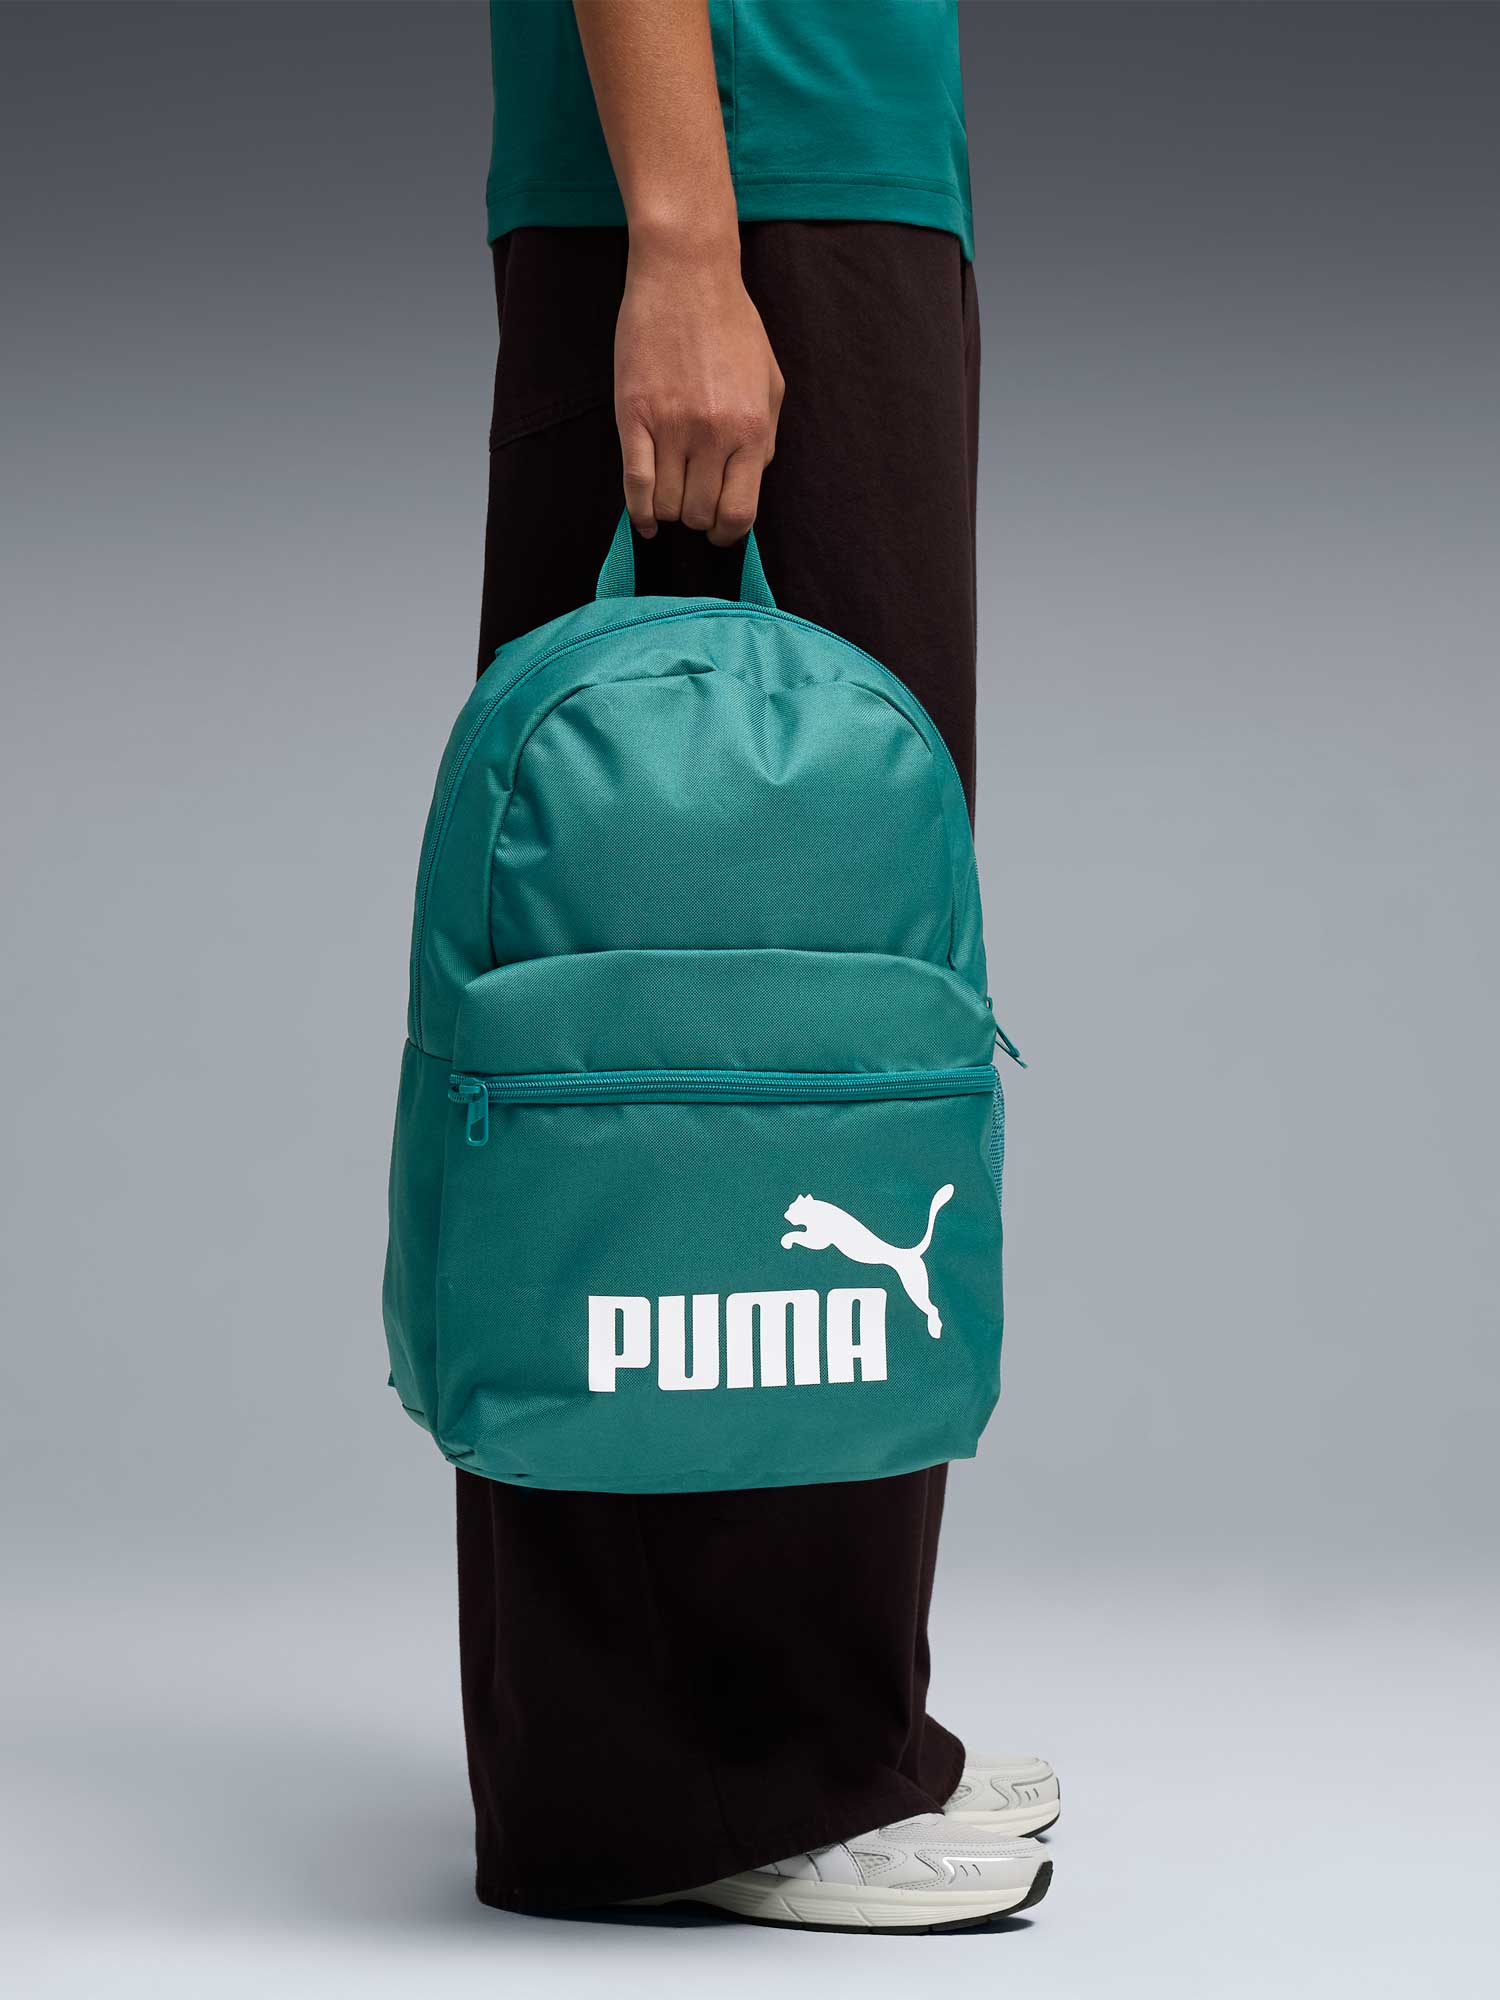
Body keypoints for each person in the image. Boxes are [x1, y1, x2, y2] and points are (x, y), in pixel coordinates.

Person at [458, 0, 1058, 1930]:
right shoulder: (708, 226)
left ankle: (821, 1721)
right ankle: (688, 1785)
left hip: (842, 181)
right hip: (739, 182)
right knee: (698, 998)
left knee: (840, 1001)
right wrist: (685, 246)